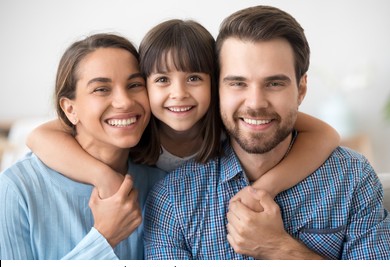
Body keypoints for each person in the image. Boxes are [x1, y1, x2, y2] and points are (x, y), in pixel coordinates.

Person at [143, 6, 390, 260]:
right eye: (238, 83)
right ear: (219, 90)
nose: (255, 103)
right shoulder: (172, 199)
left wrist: (278, 248)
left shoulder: (352, 179)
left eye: (274, 83)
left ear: (301, 89)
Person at [26, 19, 339, 202]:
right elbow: (39, 136)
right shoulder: (136, 125)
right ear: (145, 85)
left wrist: (264, 189)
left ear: (215, 83)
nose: (179, 94)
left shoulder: (229, 117)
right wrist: (104, 177)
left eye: (193, 78)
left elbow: (326, 133)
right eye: (162, 79)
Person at [0, 33, 166, 259]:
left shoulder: (161, 186)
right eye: (101, 89)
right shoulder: (16, 189)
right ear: (70, 109)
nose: (125, 101)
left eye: (135, 84)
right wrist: (105, 237)